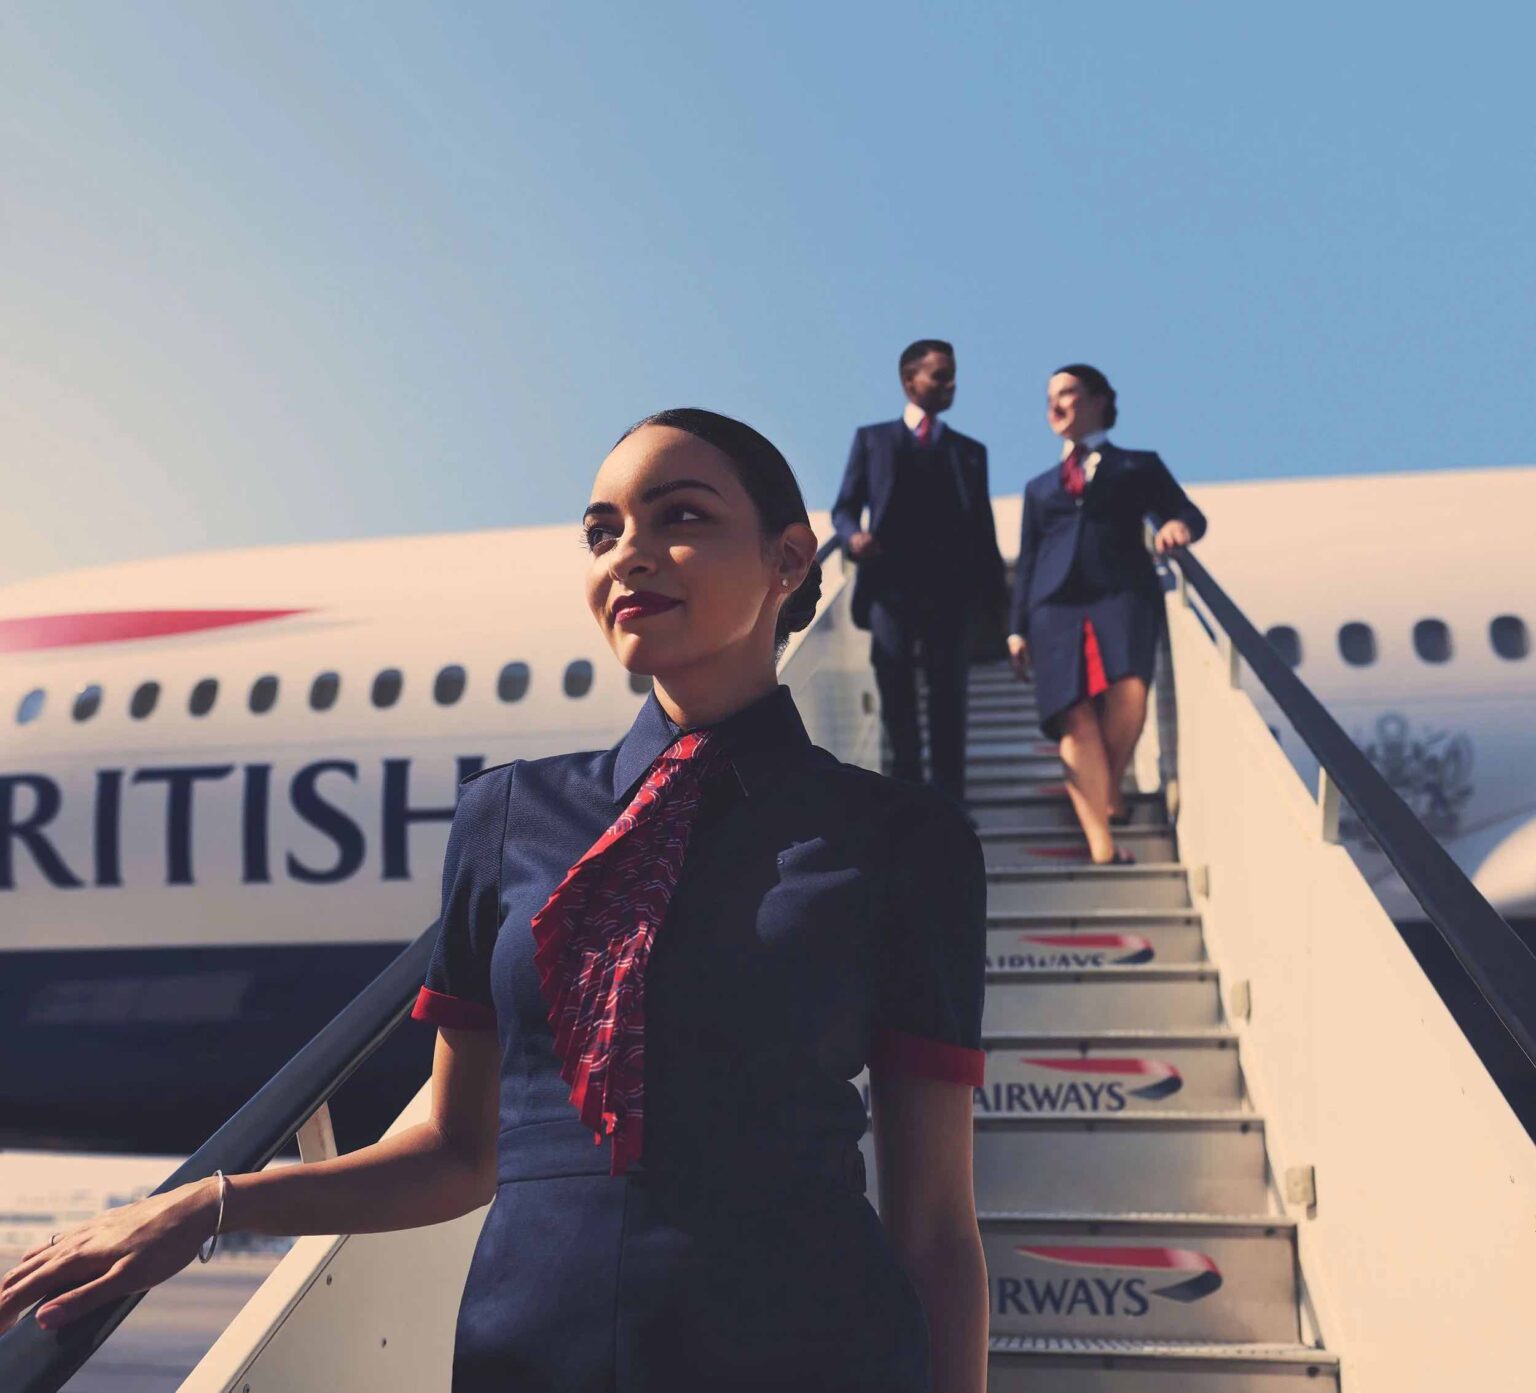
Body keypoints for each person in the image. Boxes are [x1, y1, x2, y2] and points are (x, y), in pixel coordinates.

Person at [1, 409, 990, 1393]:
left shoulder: (903, 842)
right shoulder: (509, 816)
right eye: (603, 532)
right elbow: (458, 1150)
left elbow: (938, 1227)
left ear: (787, 558)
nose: (628, 556)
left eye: (679, 516)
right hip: (531, 1355)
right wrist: (210, 1206)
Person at [1007, 365, 1207, 864]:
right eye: (1050, 396)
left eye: (1068, 392)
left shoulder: (1138, 465)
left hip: (1122, 592)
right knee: (1075, 720)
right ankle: (1101, 841)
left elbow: (1189, 513)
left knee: (1129, 695)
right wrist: (1016, 628)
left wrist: (1178, 527)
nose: (1055, 405)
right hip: (1054, 605)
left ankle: (1110, 785)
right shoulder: (1039, 488)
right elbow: (1028, 559)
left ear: (1099, 400)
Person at [832, 339, 1007, 802]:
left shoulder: (968, 451)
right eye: (940, 375)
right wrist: (852, 537)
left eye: (952, 376)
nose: (951, 385)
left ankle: (951, 804)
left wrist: (1001, 608)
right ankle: (907, 802)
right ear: (910, 381)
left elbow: (982, 530)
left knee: (950, 699)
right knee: (897, 696)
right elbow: (845, 507)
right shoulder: (873, 439)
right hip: (890, 590)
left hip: (950, 593)